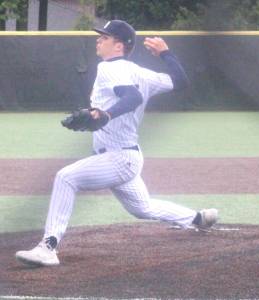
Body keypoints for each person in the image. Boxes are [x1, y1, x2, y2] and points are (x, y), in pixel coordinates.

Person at [15, 20, 218, 267]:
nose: (99, 40)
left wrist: (105, 114)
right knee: (143, 208)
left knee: (65, 178)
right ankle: (198, 218)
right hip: (127, 157)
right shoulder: (141, 73)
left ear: (119, 45)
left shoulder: (109, 68)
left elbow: (132, 97)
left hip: (118, 159)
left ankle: (48, 246)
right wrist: (166, 53)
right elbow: (181, 82)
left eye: (105, 37)